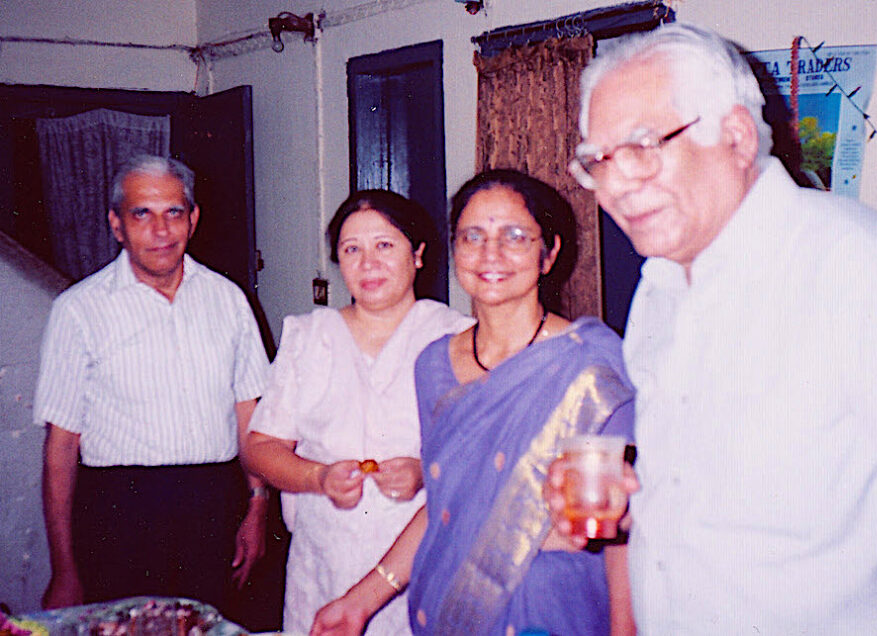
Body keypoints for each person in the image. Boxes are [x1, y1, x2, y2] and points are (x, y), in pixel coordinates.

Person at [545, 22, 877, 635]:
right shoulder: (658, 293)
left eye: (643, 145)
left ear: (738, 137)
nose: (616, 183)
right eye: (599, 160)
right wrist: (631, 504)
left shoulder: (873, 277)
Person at [310, 170, 636, 636]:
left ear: (550, 254)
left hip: (551, 611)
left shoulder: (594, 364)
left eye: (516, 236)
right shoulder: (435, 365)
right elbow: (450, 501)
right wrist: (361, 600)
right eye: (473, 236)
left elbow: (627, 527)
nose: (491, 254)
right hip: (443, 606)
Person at [34, 155, 271, 611]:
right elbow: (61, 446)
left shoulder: (229, 301)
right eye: (142, 214)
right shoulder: (78, 310)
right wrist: (64, 569)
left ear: (193, 219)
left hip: (213, 507)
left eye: (173, 213)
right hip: (118, 513)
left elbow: (250, 415)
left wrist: (258, 507)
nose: (160, 232)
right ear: (116, 224)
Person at [240, 190, 474, 634]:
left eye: (384, 245)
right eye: (352, 250)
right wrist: (317, 478)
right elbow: (261, 448)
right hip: (323, 570)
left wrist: (425, 472)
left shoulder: (456, 337)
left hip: (423, 567)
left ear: (418, 254)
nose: (368, 264)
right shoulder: (309, 336)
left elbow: (480, 459)